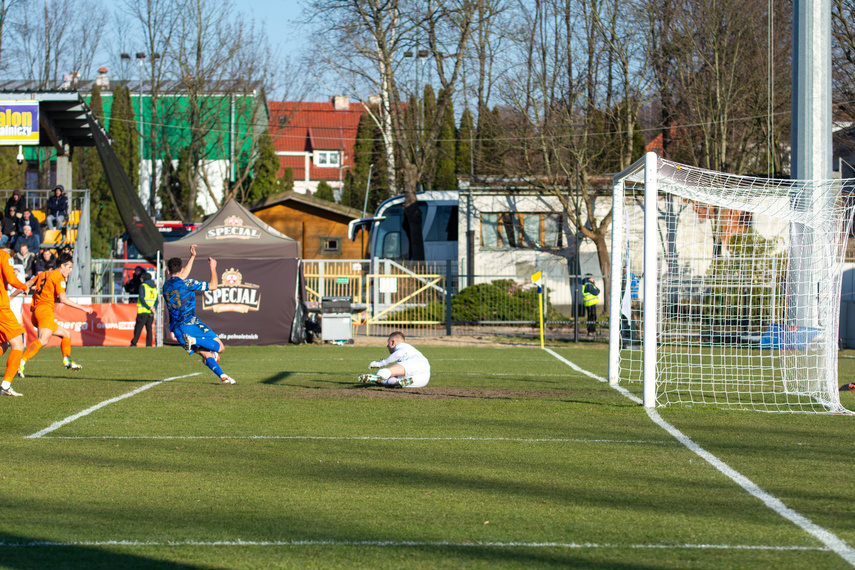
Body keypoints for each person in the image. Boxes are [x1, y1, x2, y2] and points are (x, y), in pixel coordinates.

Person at [162, 244, 235, 384]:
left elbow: (180, 276)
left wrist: (193, 257)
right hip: (190, 324)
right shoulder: (188, 283)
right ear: (181, 269)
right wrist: (213, 268)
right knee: (220, 348)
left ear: (168, 270)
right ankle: (194, 340)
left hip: (177, 329)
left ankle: (224, 377)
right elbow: (213, 286)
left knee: (206, 354)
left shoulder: (165, 286)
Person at [15, 252, 94, 378]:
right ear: (62, 266)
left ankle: (67, 360)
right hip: (45, 311)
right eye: (69, 267)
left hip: (35, 313)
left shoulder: (45, 273)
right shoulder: (58, 278)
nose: (70, 270)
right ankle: (20, 361)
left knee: (66, 334)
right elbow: (63, 299)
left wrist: (12, 295)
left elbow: (28, 284)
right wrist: (83, 308)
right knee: (43, 340)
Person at [0, 246, 32, 396]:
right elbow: (11, 278)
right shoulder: (4, 256)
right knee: (18, 344)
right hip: (0, 308)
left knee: (4, 344)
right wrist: (23, 286)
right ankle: (5, 386)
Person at [358, 331, 430, 388]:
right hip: (424, 378)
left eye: (388, 342)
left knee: (384, 372)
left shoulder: (400, 346)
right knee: (392, 380)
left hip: (416, 363)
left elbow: (399, 354)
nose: (387, 346)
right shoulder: (410, 349)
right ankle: (396, 382)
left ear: (393, 342)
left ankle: (378, 376)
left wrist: (380, 363)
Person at [130, 271, 158, 347]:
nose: (141, 279)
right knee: (149, 329)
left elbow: (142, 298)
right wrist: (153, 308)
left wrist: (148, 307)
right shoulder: (154, 287)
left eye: (142, 278)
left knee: (138, 329)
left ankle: (133, 343)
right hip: (151, 312)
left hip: (143, 311)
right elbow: (156, 300)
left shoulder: (143, 286)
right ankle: (149, 345)